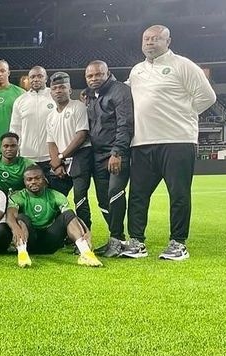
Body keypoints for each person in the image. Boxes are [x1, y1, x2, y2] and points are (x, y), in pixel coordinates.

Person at [122, 24, 216, 261]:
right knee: (138, 195)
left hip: (177, 140)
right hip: (142, 142)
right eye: (146, 38)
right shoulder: (137, 71)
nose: (150, 42)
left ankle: (178, 243)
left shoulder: (183, 65)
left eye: (155, 38)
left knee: (179, 194)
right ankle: (136, 241)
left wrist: (184, 113)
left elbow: (208, 97)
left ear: (168, 41)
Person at [82, 60, 134, 257]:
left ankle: (119, 239)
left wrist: (117, 152)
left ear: (107, 73)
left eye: (98, 75)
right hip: (97, 154)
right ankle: (115, 238)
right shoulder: (93, 95)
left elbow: (125, 124)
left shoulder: (120, 91)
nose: (94, 79)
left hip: (115, 154)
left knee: (115, 192)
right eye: (90, 76)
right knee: (103, 199)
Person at [7, 165, 101, 268]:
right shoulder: (18, 196)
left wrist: (86, 230)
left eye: (37, 178)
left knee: (67, 214)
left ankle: (86, 253)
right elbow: (11, 216)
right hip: (29, 241)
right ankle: (22, 254)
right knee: (21, 217)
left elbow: (71, 217)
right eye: (29, 179)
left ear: (44, 179)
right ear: (24, 182)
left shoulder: (56, 196)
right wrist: (15, 229)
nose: (33, 182)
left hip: (50, 241)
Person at [46, 71, 92, 230]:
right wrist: (57, 164)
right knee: (56, 199)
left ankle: (85, 235)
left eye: (62, 87)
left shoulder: (78, 107)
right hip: (61, 163)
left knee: (80, 199)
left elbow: (81, 136)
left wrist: (60, 157)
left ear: (70, 90)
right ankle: (62, 233)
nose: (58, 90)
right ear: (50, 92)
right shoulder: (51, 115)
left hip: (80, 157)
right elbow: (51, 142)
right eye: (55, 88)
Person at [9, 66, 54, 167]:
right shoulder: (20, 100)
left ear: (46, 78)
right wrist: (16, 152)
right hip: (27, 156)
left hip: (52, 156)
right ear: (29, 79)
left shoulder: (54, 96)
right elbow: (15, 129)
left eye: (40, 76)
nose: (36, 79)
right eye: (32, 77)